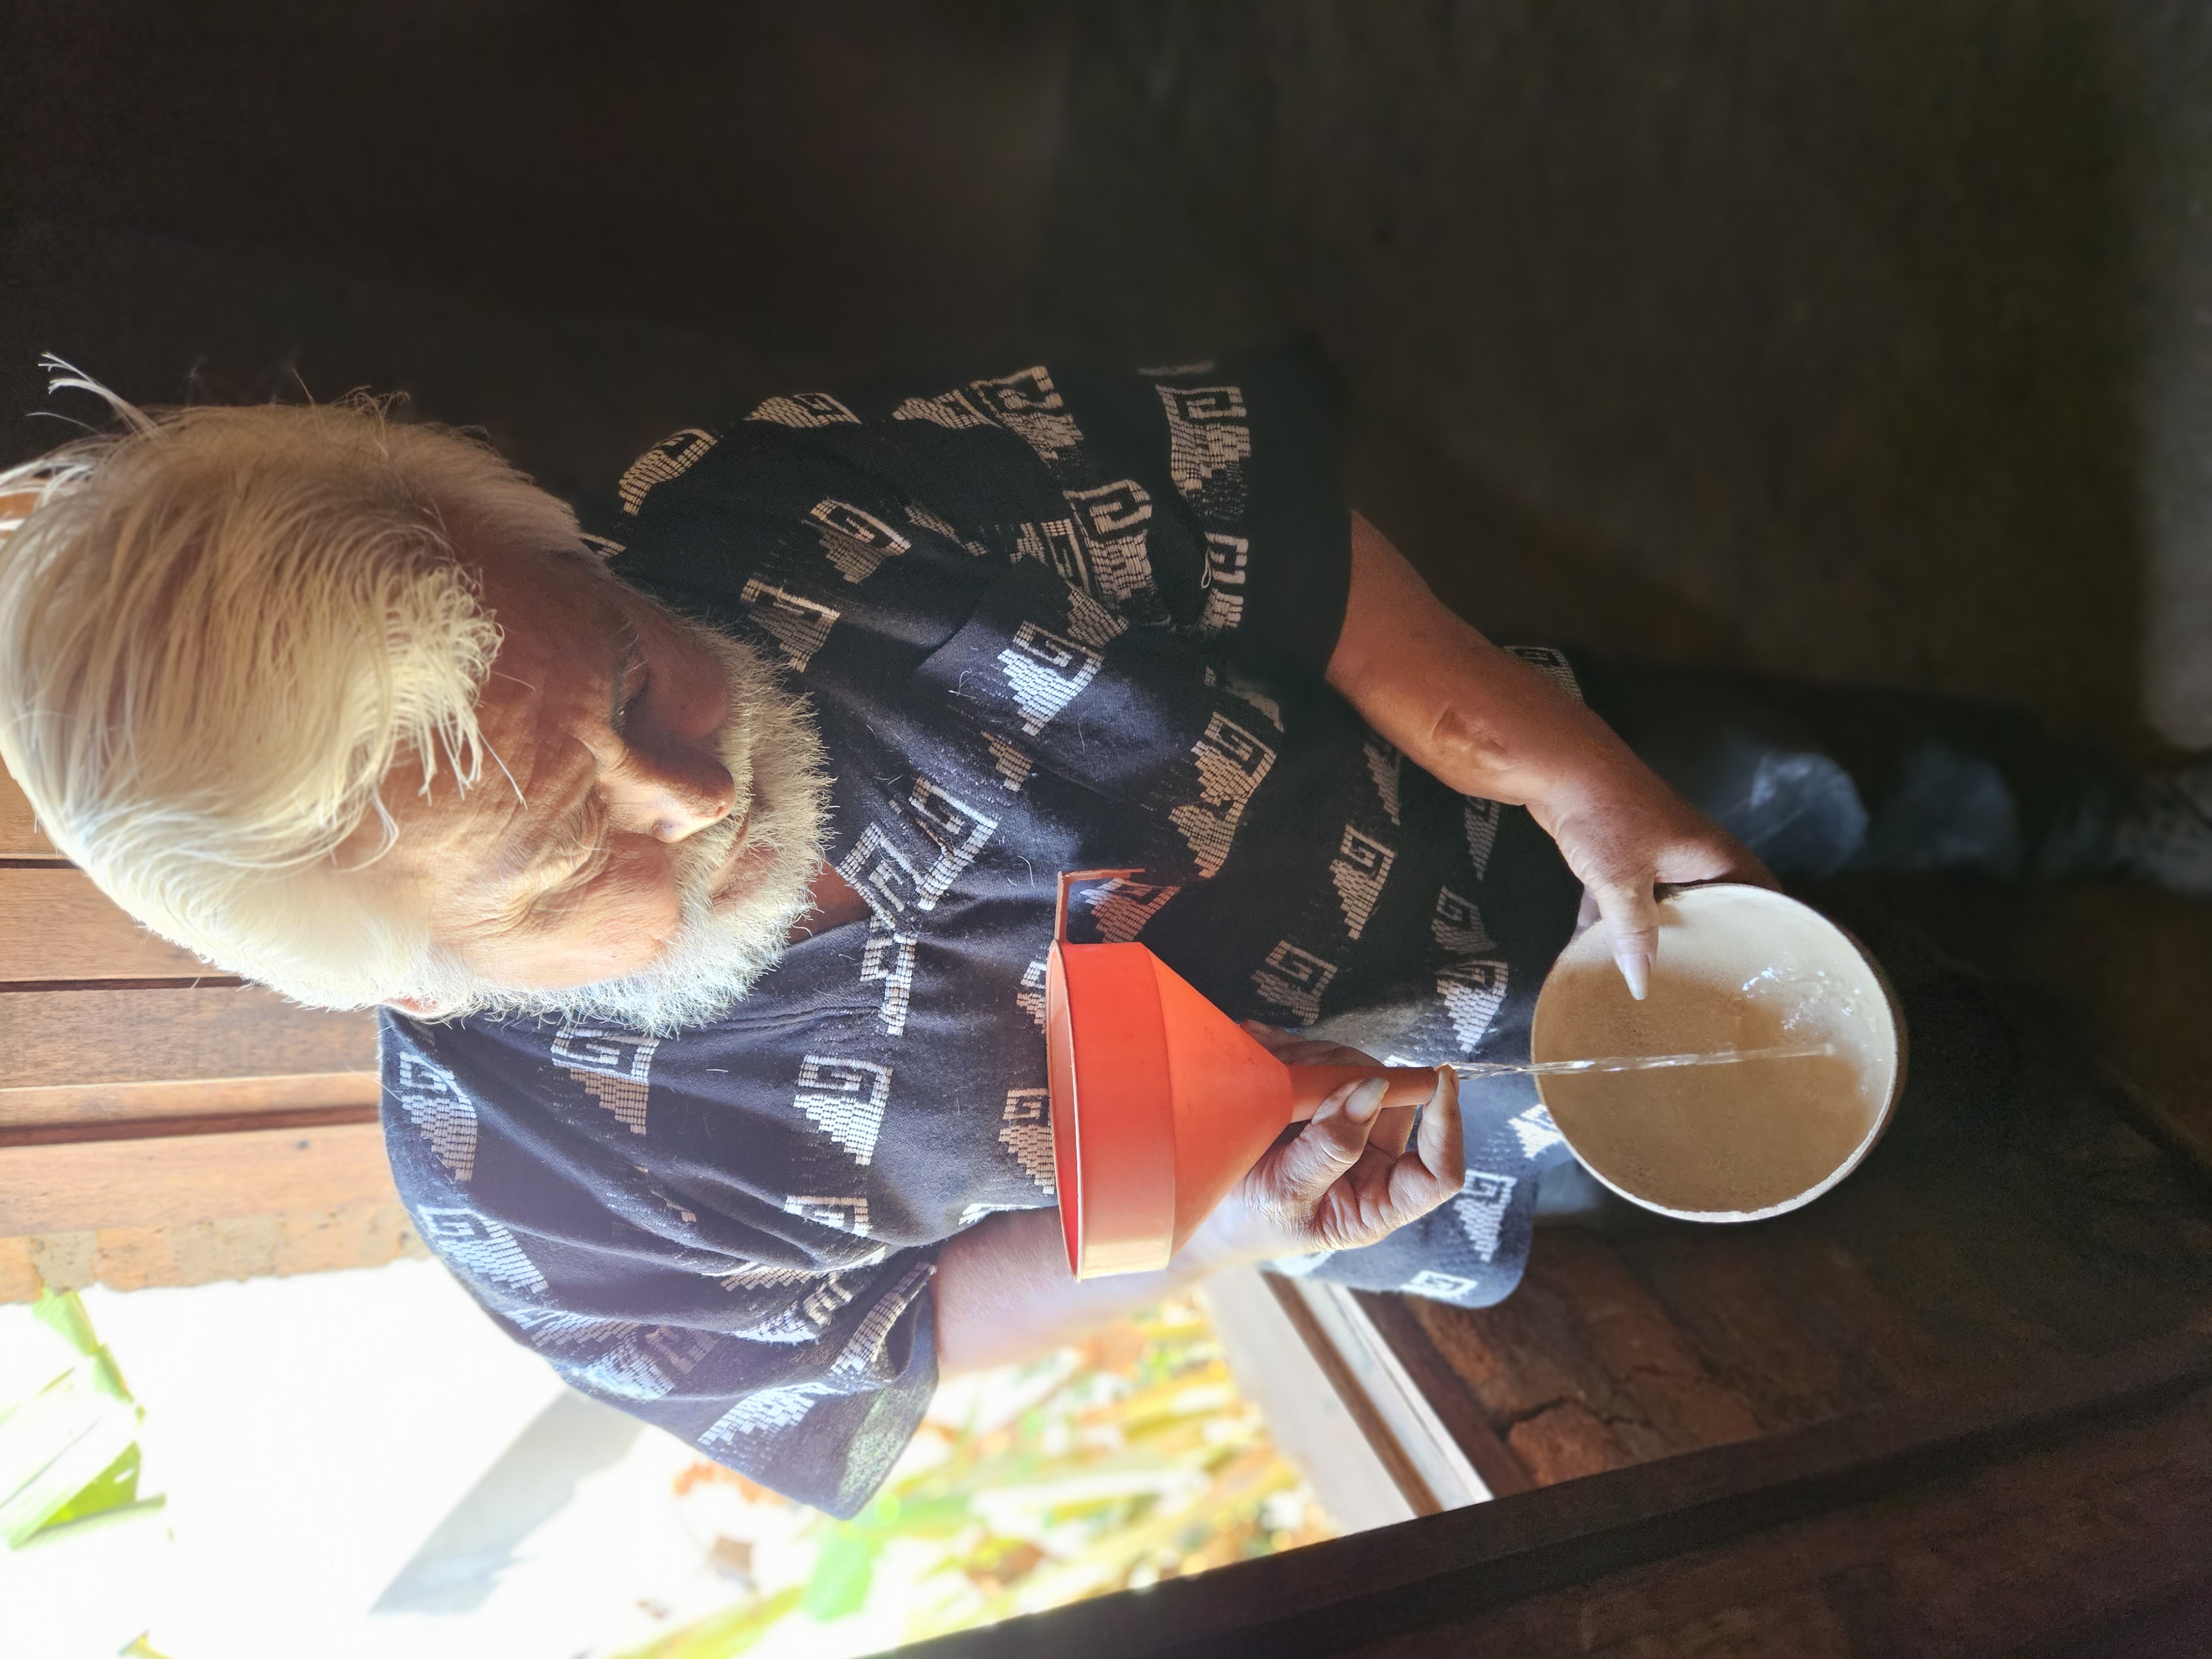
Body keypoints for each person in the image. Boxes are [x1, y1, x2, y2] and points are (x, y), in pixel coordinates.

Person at [1, 350, 2201, 1516]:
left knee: (1813, 782)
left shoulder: (786, 517)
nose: (703, 786)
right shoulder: (553, 1210)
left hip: (1469, 796)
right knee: (1866, 1118)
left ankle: (2106, 808)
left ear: (577, 552)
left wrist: (1554, 764)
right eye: (567, 853)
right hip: (1411, 1141)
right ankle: (2016, 1080)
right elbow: (887, 1342)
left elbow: (1250, 530)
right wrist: (1230, 1223)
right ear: (413, 981)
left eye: (643, 681)